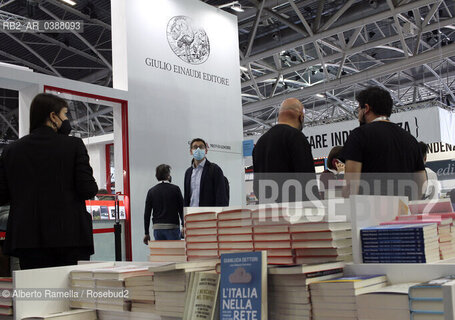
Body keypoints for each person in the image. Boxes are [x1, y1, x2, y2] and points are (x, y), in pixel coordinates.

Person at [0, 93, 98, 270]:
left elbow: (2, 195)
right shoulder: (73, 145)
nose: (66, 119)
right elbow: (88, 189)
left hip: (27, 239)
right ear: (53, 116)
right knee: (71, 294)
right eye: (65, 114)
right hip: (69, 236)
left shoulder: (11, 150)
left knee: (36, 293)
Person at [341, 87, 426, 200]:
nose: (358, 114)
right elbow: (421, 183)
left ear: (366, 108)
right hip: (404, 212)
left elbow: (350, 186)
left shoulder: (359, 135)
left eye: (358, 109)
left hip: (370, 212)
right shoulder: (411, 140)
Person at [252, 98, 317, 203]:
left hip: (268, 212)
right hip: (293, 212)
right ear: (301, 117)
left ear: (280, 115)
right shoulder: (297, 137)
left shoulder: (260, 143)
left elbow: (256, 187)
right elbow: (307, 183)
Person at [143, 164, 184, 243]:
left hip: (158, 229)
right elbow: (181, 209)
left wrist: (146, 233)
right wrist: (184, 225)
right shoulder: (175, 189)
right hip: (172, 227)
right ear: (168, 175)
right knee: (174, 254)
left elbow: (147, 214)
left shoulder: (151, 191)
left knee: (161, 253)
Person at [184, 138, 228, 207]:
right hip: (191, 214)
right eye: (195, 147)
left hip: (208, 215)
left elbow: (221, 197)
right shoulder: (188, 172)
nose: (198, 150)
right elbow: (186, 197)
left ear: (206, 151)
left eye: (201, 147)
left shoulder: (215, 169)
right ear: (191, 151)